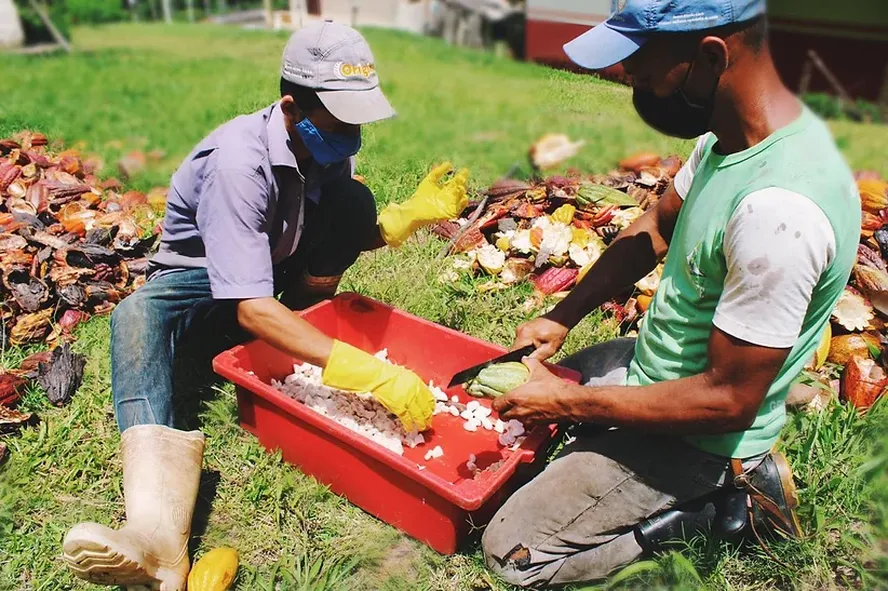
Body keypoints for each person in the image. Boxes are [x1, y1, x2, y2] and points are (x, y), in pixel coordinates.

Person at [61, 21, 468, 590]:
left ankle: (295, 337)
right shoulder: (237, 164)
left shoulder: (320, 151)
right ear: (291, 105)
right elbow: (249, 306)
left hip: (271, 270)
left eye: (358, 118)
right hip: (201, 285)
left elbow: (327, 229)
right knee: (137, 317)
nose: (351, 132)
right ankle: (156, 532)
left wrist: (404, 220)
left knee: (353, 201)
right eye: (341, 118)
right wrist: (370, 373)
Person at [481, 0, 859, 587]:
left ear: (711, 57)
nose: (635, 86)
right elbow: (657, 226)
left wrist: (567, 403)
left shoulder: (780, 210)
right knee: (551, 390)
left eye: (645, 74)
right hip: (662, 374)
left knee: (513, 552)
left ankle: (711, 508)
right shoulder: (729, 138)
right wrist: (564, 314)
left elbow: (726, 399)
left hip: (701, 431)